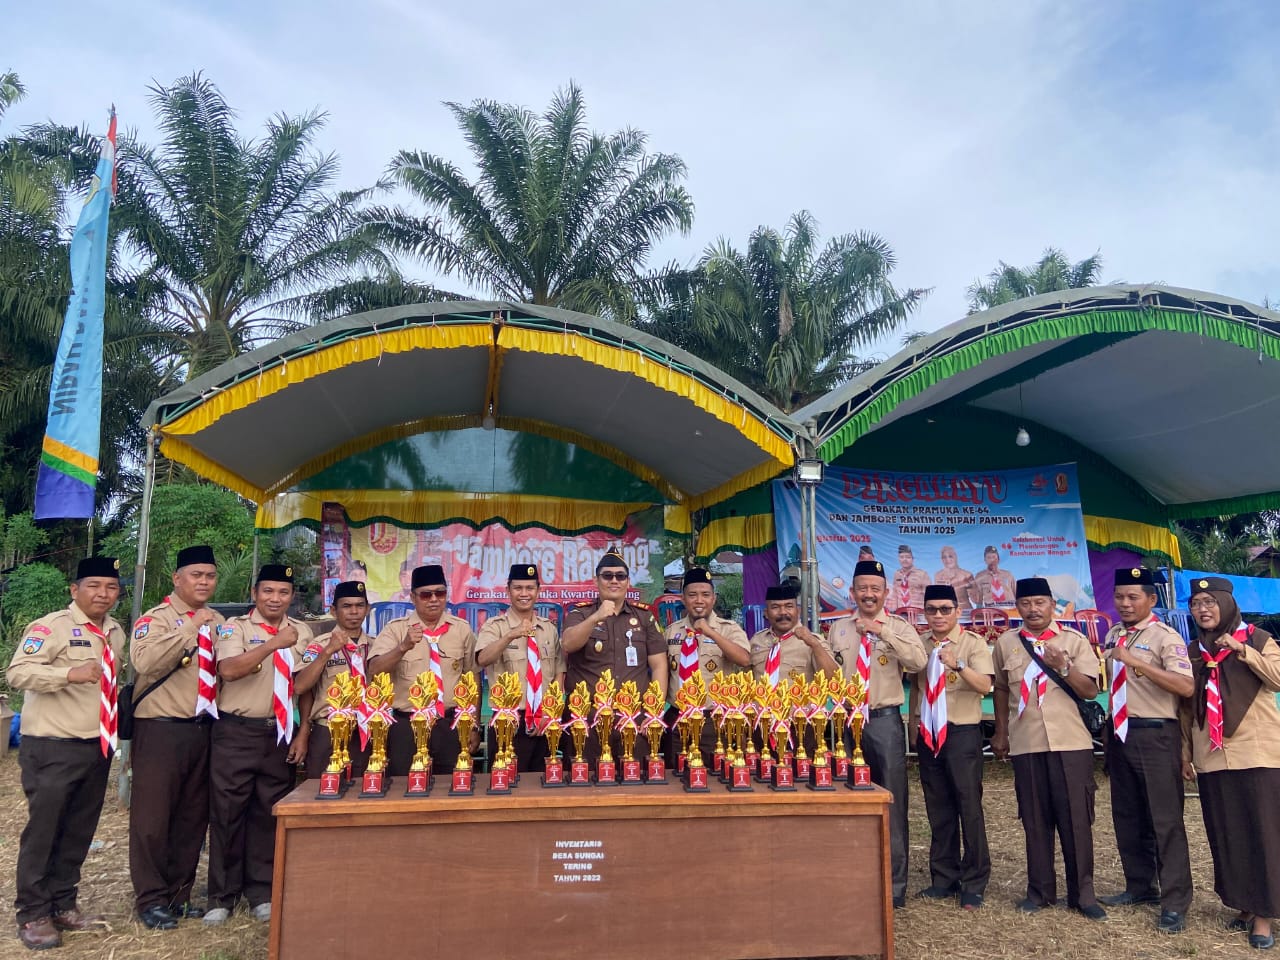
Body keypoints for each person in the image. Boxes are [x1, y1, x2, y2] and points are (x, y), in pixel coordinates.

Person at [7, 557, 124, 950]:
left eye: (110, 587)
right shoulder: (51, 627)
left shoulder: (115, 632)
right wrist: (67, 674)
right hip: (53, 747)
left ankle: (62, 903)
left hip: (97, 745)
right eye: (94, 585)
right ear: (75, 590)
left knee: (78, 831)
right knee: (45, 830)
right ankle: (33, 912)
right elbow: (18, 673)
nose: (102, 594)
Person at [205, 564, 313, 927]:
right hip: (236, 731)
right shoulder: (235, 628)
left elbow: (304, 686)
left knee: (268, 814)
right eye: (268, 591)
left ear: (291, 597)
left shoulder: (302, 632)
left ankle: (261, 892)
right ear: (254, 594)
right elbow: (230, 670)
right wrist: (271, 644)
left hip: (279, 732)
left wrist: (303, 732)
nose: (275, 599)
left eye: (283, 593)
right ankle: (221, 895)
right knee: (227, 814)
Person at [991, 577, 1104, 920]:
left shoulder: (1074, 641)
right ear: (1017, 606)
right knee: (1034, 818)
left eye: (1040, 602)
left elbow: (1090, 690)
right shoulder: (1006, 643)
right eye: (1025, 603)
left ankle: (1083, 895)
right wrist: (1000, 732)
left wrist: (1063, 666)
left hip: (1070, 742)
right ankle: (1039, 892)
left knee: (1076, 819)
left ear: (1053, 604)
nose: (1033, 609)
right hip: (1027, 742)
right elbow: (999, 689)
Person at [1181, 576, 1280, 950]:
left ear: (1226, 602)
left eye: (1210, 601)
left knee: (1264, 834)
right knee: (1227, 833)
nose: (1203, 609)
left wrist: (1243, 652)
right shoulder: (1193, 650)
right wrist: (1186, 752)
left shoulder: (1259, 638)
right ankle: (1243, 902)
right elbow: (1188, 709)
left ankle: (1265, 915)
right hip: (1213, 754)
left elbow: (1278, 680)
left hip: (1258, 753)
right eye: (1196, 604)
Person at [128, 545, 224, 931]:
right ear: (177, 579)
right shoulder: (157, 619)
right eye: (196, 575)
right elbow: (145, 663)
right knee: (153, 818)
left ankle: (178, 895)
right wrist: (190, 627)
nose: (204, 582)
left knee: (191, 816)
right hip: (161, 728)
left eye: (210, 576)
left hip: (204, 729)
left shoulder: (218, 620)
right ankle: (150, 899)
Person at [827, 559, 929, 908]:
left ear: (885, 593)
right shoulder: (838, 628)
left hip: (883, 721)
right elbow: (829, 673)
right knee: (848, 797)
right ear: (852, 592)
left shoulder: (899, 627)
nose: (869, 594)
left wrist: (881, 631)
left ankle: (895, 885)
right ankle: (854, 873)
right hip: (846, 722)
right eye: (863, 588)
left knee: (891, 801)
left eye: (875, 589)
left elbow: (918, 663)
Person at [1098, 566, 1194, 934]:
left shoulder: (1164, 637)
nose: (1124, 603)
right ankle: (1140, 886)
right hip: (1121, 732)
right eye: (1120, 596)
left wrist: (1137, 662)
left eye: (1133, 596)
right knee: (1128, 815)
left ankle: (1175, 901)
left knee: (1165, 820)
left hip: (1156, 734)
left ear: (1151, 600)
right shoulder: (1114, 634)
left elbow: (1185, 686)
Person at [910, 584, 993, 909]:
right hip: (930, 733)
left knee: (968, 806)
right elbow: (917, 687)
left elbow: (985, 685)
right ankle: (943, 877)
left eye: (946, 609)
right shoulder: (920, 644)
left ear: (959, 611)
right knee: (938, 807)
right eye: (932, 609)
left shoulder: (972, 643)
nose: (939, 615)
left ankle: (974, 880)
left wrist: (958, 664)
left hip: (962, 733)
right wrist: (913, 724)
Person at [367, 565, 478, 776]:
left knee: (452, 787)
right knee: (404, 788)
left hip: (450, 724)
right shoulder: (396, 629)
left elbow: (471, 678)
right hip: (407, 727)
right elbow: (374, 668)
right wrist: (403, 647)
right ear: (413, 597)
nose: (434, 599)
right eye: (426, 594)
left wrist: (473, 727)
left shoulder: (461, 629)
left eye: (440, 593)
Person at [561, 551, 667, 763]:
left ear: (628, 582)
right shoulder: (580, 614)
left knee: (634, 784)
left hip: (634, 718)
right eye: (607, 575)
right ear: (596, 580)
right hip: (587, 718)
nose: (614, 581)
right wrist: (596, 617)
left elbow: (659, 666)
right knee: (584, 787)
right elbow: (568, 644)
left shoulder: (644, 617)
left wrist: (654, 713)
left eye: (620, 576)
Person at [475, 564, 564, 772]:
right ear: (508, 590)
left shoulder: (548, 629)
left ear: (538, 591)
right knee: (505, 787)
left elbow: (559, 674)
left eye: (530, 588)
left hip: (543, 721)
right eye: (518, 588)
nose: (524, 594)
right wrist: (510, 635)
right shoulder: (494, 626)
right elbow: (482, 660)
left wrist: (551, 713)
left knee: (542, 789)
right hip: (509, 721)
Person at [665, 567, 750, 766]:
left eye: (705, 595)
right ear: (683, 599)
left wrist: (711, 633)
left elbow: (745, 660)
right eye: (692, 595)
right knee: (676, 778)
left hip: (714, 720)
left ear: (714, 598)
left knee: (717, 780)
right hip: (678, 717)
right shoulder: (671, 632)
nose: (699, 600)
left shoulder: (728, 629)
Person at [294, 580, 373, 779]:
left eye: (359, 605)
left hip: (366, 731)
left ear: (367, 609)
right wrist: (327, 652)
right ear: (333, 611)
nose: (354, 611)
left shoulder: (377, 646)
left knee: (366, 793)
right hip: (329, 731)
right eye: (346, 606)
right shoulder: (319, 645)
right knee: (323, 793)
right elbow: (300, 686)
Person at [933, 546, 974, 613]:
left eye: (950, 556)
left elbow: (976, 600)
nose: (947, 560)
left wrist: (972, 587)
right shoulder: (938, 575)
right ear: (941, 559)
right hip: (946, 612)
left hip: (964, 611)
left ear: (956, 557)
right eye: (944, 557)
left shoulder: (967, 574)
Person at [891, 545, 931, 611]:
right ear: (898, 559)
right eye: (902, 557)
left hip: (919, 612)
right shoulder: (897, 574)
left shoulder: (922, 574)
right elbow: (895, 595)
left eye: (908, 557)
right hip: (901, 612)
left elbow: (929, 595)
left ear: (913, 559)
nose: (905, 560)